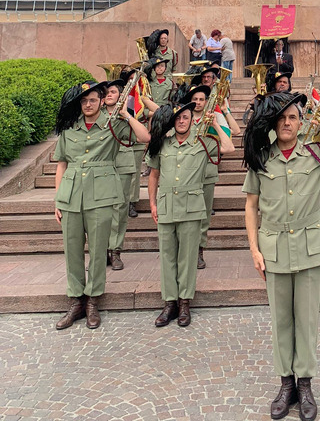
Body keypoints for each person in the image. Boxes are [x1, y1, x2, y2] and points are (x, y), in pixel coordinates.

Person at [243, 92, 320, 420]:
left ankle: (305, 384)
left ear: (301, 122)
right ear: (273, 122)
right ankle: (286, 385)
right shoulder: (262, 157)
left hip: (311, 247)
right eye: (281, 118)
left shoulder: (317, 152)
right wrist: (254, 249)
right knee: (281, 320)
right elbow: (251, 206)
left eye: (293, 117)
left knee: (307, 321)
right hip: (274, 248)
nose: (286, 123)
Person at [53, 81, 150, 330]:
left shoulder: (113, 124)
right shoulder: (69, 128)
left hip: (102, 196)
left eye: (93, 100)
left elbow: (144, 137)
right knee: (72, 250)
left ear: (101, 101)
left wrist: (125, 115)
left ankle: (93, 300)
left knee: (98, 251)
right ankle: (76, 300)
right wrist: (58, 199)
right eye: (84, 101)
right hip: (71, 195)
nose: (88, 104)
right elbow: (61, 164)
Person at [148, 96, 234, 328]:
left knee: (187, 257)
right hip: (166, 205)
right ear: (173, 121)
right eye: (178, 118)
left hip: (192, 206)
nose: (182, 121)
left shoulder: (202, 141)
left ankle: (184, 302)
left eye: (186, 117)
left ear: (191, 119)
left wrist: (215, 123)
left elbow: (228, 147)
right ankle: (169, 304)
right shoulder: (162, 143)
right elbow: (153, 175)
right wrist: (153, 204)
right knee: (167, 256)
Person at [189, 85, 237, 270]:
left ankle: (200, 249)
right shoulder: (183, 117)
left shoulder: (214, 116)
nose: (198, 103)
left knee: (204, 214)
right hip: (186, 172)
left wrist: (218, 119)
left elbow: (233, 134)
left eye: (202, 99)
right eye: (195, 99)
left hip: (207, 171)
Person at [102, 78, 142, 270]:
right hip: (101, 166)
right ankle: (101, 251)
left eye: (113, 92)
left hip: (123, 164)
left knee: (119, 210)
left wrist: (126, 115)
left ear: (121, 97)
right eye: (106, 92)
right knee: (100, 211)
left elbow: (141, 137)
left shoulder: (127, 115)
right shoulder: (96, 115)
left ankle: (115, 251)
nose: (109, 94)